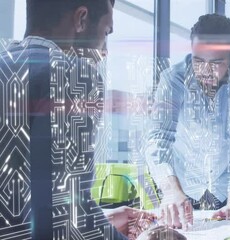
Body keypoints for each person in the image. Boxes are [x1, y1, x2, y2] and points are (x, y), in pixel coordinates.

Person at [0, 0, 182, 239]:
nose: (105, 51)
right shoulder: (72, 73)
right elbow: (66, 215)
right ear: (81, 19)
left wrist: (101, 220)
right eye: (106, 32)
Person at [145, 14, 230, 229]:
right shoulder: (173, 79)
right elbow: (158, 137)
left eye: (216, 62)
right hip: (182, 187)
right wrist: (172, 191)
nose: (205, 71)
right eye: (198, 60)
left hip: (227, 186)